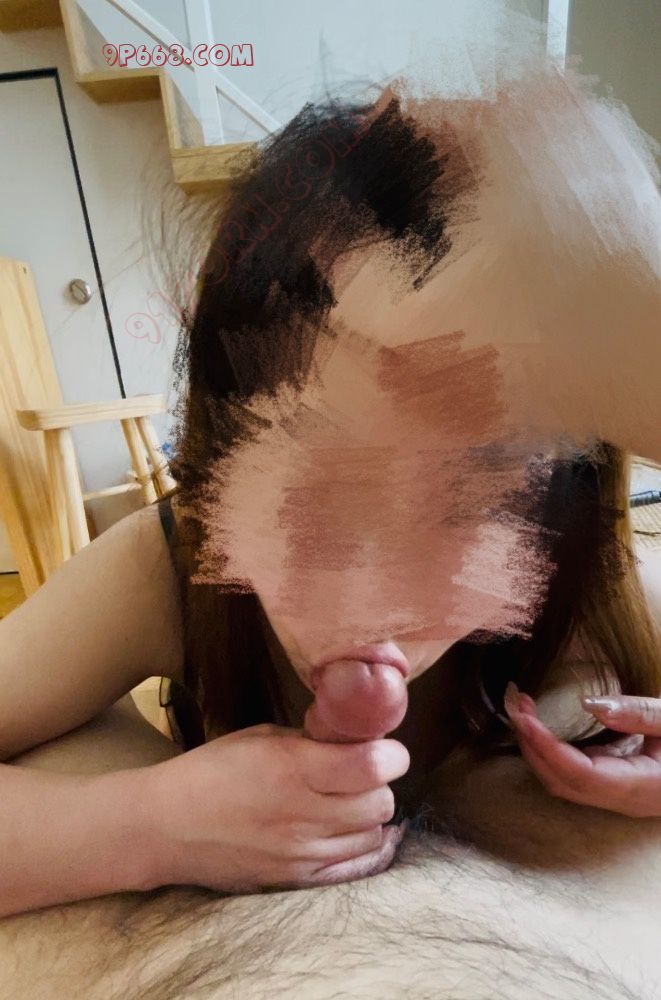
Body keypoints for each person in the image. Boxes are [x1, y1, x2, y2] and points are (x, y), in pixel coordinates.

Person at [1, 51, 660, 924]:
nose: (368, 594)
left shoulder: (581, 579)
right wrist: (145, 824)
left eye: (464, 501)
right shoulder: (165, 567)